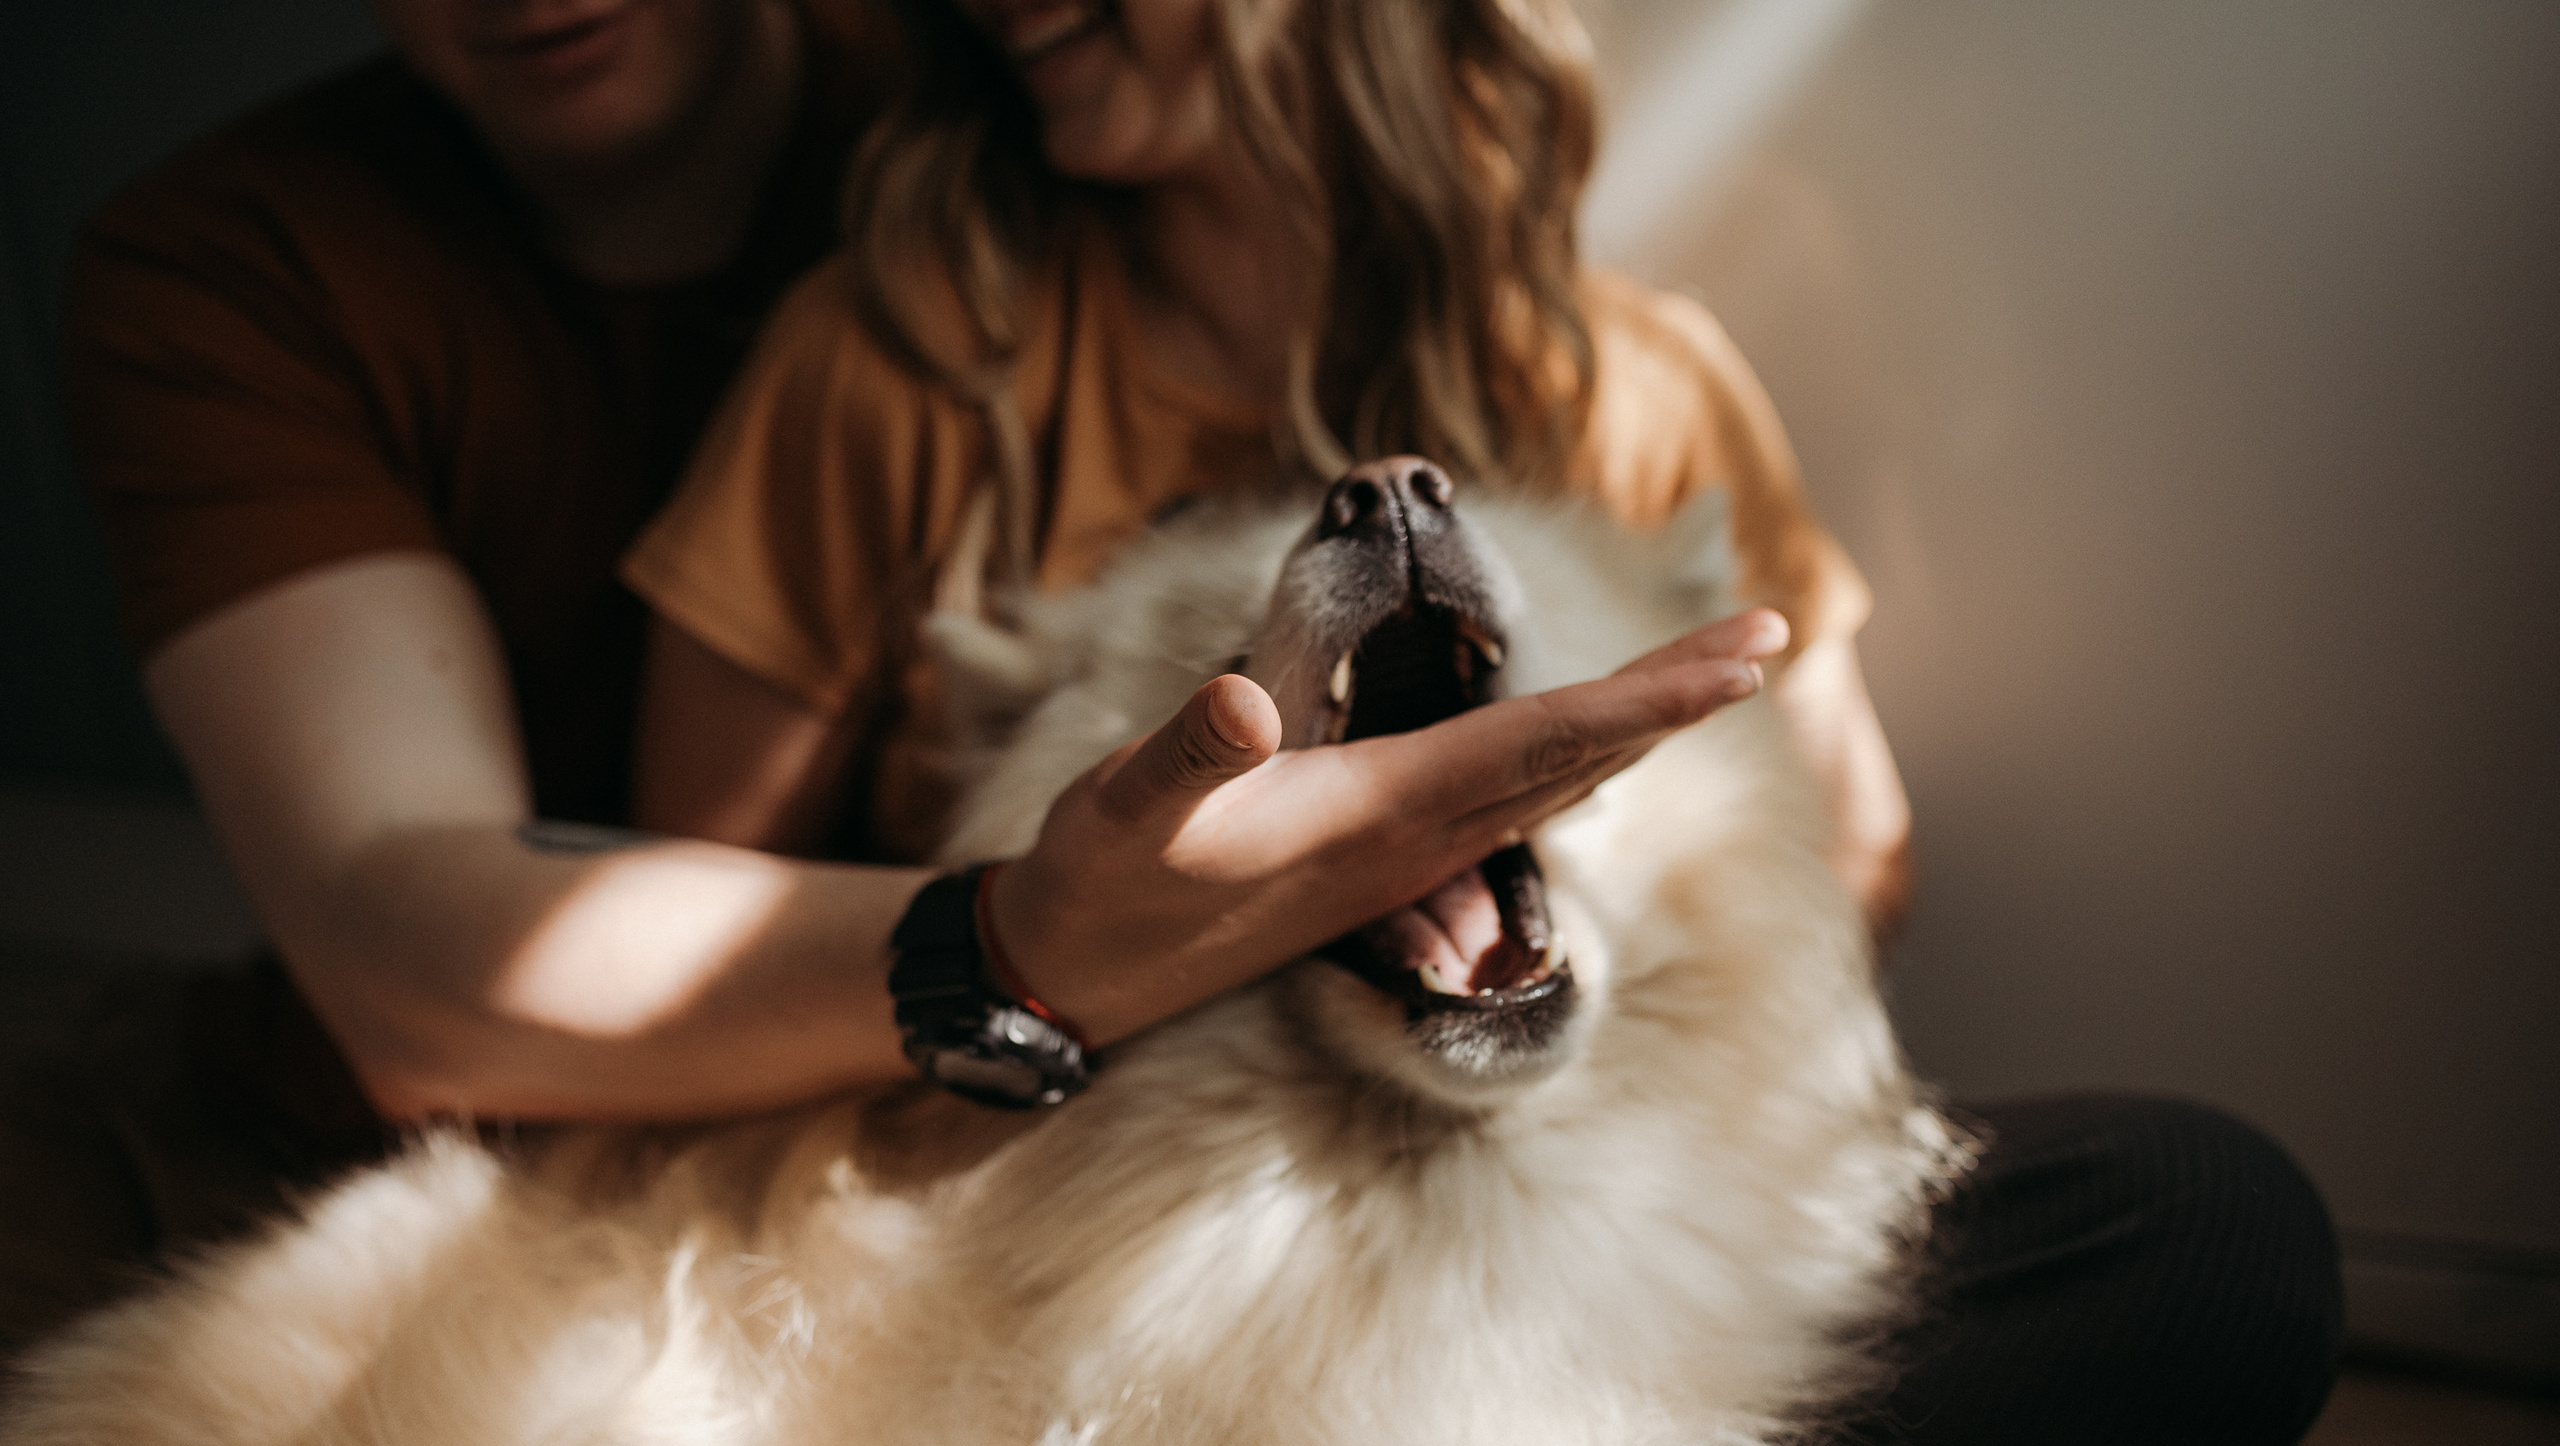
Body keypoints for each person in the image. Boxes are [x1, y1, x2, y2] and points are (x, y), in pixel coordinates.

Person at [616, 3, 2343, 1446]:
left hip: (1620, 1273)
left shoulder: (1640, 383)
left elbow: (1847, 852)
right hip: (1083, 1299)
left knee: (2199, 1238)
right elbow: (680, 955)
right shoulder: (894, 369)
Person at [4, 0, 1773, 1368]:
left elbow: (1837, 849)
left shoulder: (1600, 366)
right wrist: (1024, 948)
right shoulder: (906, 326)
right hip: (442, 1124)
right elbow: (458, 975)